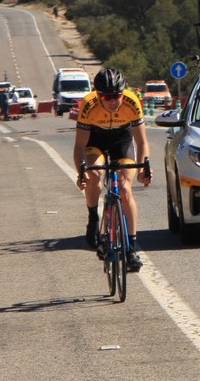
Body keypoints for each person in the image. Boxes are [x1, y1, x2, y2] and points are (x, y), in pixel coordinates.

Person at [73, 68, 152, 272]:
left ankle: (131, 250)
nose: (113, 100)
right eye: (107, 97)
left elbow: (141, 142)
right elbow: (80, 146)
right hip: (96, 139)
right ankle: (93, 217)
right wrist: (81, 172)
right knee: (94, 176)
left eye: (117, 95)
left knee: (125, 190)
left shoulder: (131, 102)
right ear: (98, 95)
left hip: (121, 139)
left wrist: (144, 167)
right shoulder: (88, 105)